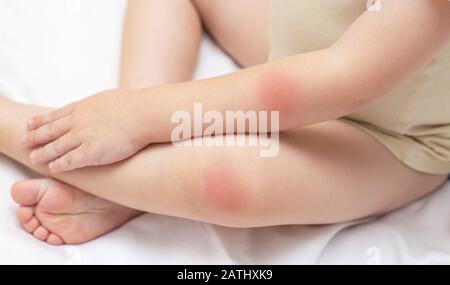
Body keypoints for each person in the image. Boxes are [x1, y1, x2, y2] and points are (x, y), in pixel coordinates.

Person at [1, 0, 449, 245]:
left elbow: (338, 77)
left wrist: (138, 117)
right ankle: (129, 175)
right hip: (300, 38)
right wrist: (132, 114)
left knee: (228, 185)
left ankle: (9, 123)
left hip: (388, 133)